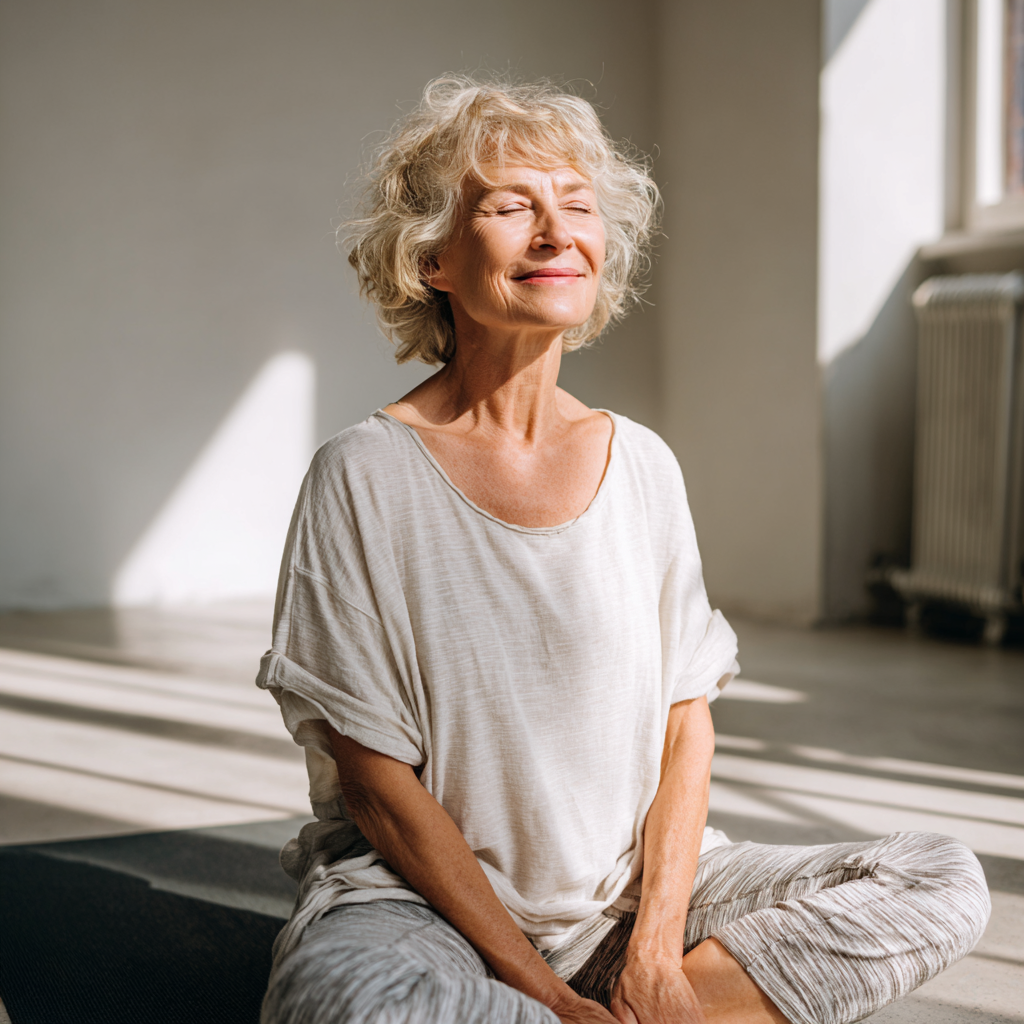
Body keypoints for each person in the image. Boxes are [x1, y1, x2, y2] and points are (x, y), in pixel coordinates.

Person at [257, 77, 990, 1024]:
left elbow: (688, 725)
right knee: (352, 1001)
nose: (558, 233)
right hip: (419, 908)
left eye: (579, 206)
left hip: (625, 899)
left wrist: (654, 953)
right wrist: (541, 989)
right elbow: (376, 784)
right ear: (433, 256)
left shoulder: (641, 464)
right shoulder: (361, 474)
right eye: (514, 206)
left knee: (940, 877)